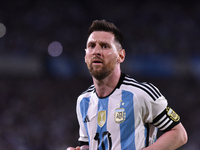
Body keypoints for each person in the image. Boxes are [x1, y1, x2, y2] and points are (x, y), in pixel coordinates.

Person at [67, 20, 188, 150]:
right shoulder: (83, 101)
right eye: (91, 46)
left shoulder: (141, 94)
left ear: (121, 55)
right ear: (85, 56)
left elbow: (179, 134)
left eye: (105, 46)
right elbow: (87, 144)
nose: (96, 51)